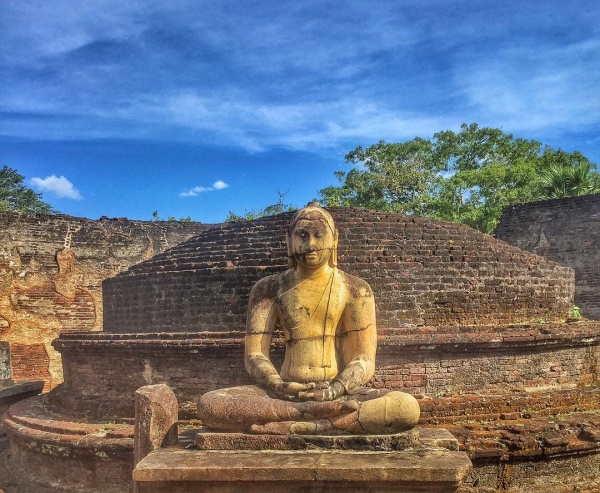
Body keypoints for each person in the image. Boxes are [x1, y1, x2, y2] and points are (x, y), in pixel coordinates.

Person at [197, 203, 419, 434]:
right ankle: (310, 417)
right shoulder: (268, 288)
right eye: (302, 235)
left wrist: (335, 389)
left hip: (336, 390)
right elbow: (255, 354)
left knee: (406, 407)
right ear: (289, 240)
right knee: (210, 404)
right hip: (283, 393)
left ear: (334, 240)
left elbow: (364, 359)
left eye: (319, 235)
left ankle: (308, 422)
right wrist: (278, 384)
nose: (310, 245)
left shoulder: (355, 289)